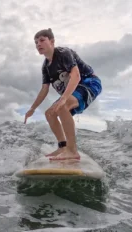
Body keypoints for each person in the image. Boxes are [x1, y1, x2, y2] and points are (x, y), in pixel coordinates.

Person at [24, 28, 102, 161]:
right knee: (50, 113)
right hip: (74, 90)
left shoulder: (63, 53)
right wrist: (32, 108)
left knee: (61, 106)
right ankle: (63, 147)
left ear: (52, 41)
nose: (38, 44)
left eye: (42, 40)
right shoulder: (46, 66)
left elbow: (76, 76)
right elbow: (44, 89)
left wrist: (64, 98)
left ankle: (72, 151)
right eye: (36, 42)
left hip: (89, 82)